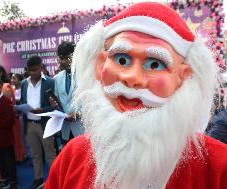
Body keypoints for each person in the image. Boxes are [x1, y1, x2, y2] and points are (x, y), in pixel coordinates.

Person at [45, 2, 227, 189]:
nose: (131, 78)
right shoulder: (72, 157)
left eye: (155, 64)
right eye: (122, 59)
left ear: (183, 77)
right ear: (100, 65)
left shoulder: (219, 166)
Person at [20, 55, 56, 189]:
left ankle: (55, 181)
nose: (32, 73)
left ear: (41, 67)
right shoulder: (24, 83)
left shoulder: (50, 82)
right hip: (29, 124)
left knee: (50, 154)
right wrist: (20, 108)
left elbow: (55, 105)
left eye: (35, 70)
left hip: (45, 124)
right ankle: (38, 178)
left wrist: (43, 110)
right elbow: (23, 101)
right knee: (35, 154)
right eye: (30, 70)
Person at [0, 65, 27, 162]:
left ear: (0, 73)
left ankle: (16, 158)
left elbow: (7, 104)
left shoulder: (6, 86)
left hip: (6, 119)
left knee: (8, 144)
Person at [54, 41, 84, 145]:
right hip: (65, 129)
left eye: (67, 58)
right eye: (61, 58)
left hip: (83, 128)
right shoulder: (57, 78)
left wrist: (79, 114)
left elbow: (93, 101)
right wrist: (56, 106)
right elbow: (59, 102)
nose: (63, 61)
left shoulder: (85, 75)